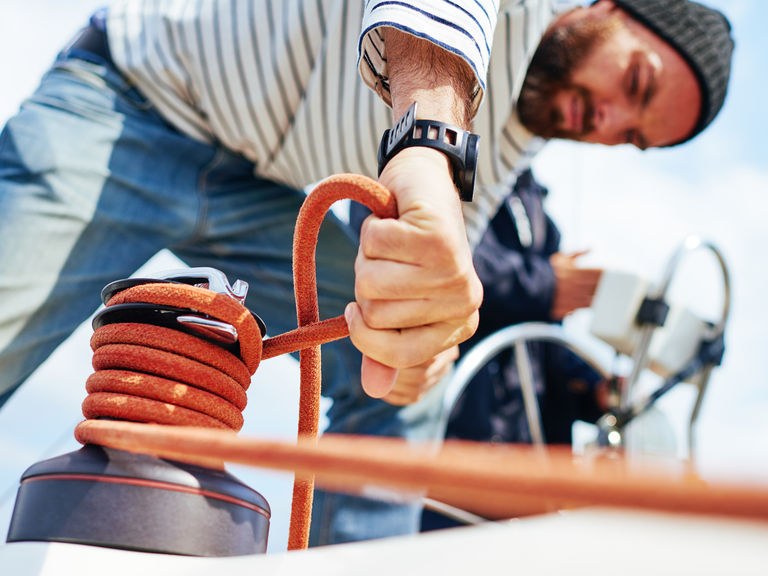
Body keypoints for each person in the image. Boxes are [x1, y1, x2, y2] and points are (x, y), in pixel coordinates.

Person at [0, 0, 733, 546]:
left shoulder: (516, 138)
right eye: (633, 84)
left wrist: (423, 345)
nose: (603, 120)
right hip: (130, 102)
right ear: (607, 10)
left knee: (410, 397)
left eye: (629, 136)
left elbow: (448, 243)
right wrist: (430, 138)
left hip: (273, 198)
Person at [419, 167, 608, 532]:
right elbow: (438, 261)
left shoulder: (543, 222)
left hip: (529, 466)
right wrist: (546, 284)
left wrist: (595, 389)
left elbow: (541, 346)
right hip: (451, 449)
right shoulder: (440, 169)